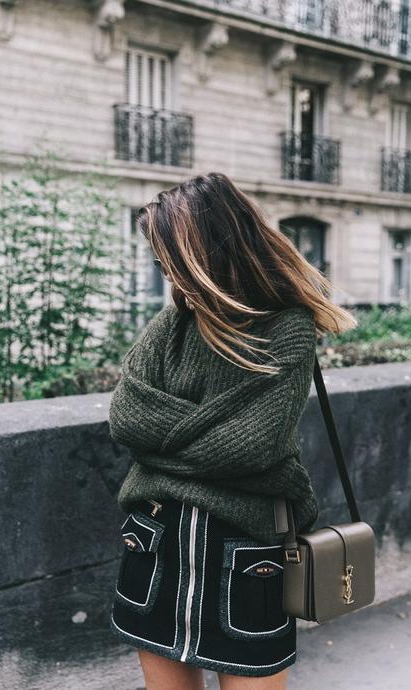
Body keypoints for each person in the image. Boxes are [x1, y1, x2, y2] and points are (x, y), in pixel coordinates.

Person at [108, 171, 357, 690]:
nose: (167, 277)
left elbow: (252, 446)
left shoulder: (284, 327)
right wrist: (208, 434)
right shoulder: (173, 322)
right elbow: (127, 417)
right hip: (155, 546)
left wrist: (162, 452)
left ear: (208, 253)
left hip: (244, 558)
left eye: (171, 262)